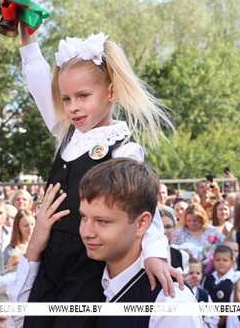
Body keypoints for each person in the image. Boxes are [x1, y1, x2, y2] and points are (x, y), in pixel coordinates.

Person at [18, 23, 178, 328]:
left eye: (83, 96)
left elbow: (144, 211)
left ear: (111, 91)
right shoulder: (67, 133)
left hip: (85, 268)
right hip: (49, 263)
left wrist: (156, 254)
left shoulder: (124, 149)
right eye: (66, 99)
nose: (73, 107)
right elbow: (37, 79)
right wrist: (27, 34)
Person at [11, 159, 202, 328]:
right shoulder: (87, 282)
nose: (87, 232)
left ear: (142, 223)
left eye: (102, 222)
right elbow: (22, 319)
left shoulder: (169, 302)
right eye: (84, 217)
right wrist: (34, 249)